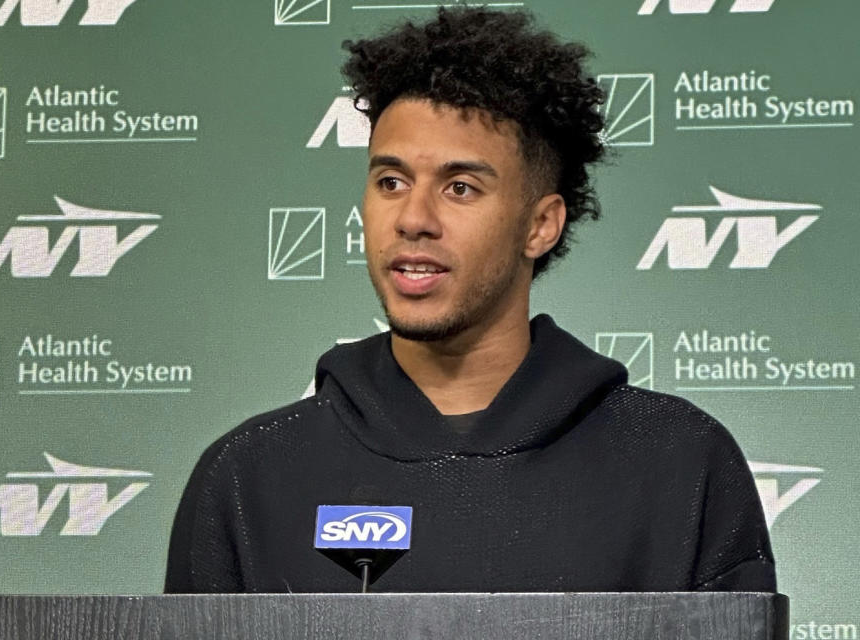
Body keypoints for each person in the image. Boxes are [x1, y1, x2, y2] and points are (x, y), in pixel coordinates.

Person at [165, 7, 775, 593]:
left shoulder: (679, 462)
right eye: (391, 181)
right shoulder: (249, 476)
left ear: (540, 225)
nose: (413, 218)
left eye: (459, 187)